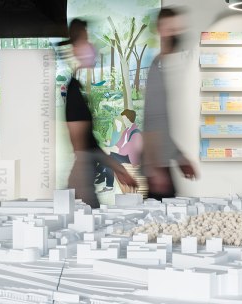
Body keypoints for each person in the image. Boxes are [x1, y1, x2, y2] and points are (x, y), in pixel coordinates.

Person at [64, 18, 137, 208]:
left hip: (85, 176)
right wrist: (117, 168)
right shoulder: (73, 90)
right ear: (76, 48)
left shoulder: (77, 88)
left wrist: (118, 168)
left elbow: (90, 144)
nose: (91, 46)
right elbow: (82, 147)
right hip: (82, 181)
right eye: (86, 41)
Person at [142, 7, 197, 201]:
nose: (175, 33)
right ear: (160, 30)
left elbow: (165, 125)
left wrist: (180, 157)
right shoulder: (158, 68)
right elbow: (151, 122)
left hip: (164, 165)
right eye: (169, 28)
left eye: (177, 28)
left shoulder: (167, 66)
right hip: (159, 170)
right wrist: (155, 169)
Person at [98, 109, 143, 192]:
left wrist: (110, 150)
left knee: (110, 156)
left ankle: (109, 185)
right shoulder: (126, 131)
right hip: (126, 155)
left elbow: (126, 149)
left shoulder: (136, 133)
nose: (123, 121)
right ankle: (109, 185)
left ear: (129, 119)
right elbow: (118, 144)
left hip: (132, 158)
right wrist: (108, 149)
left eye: (125, 119)